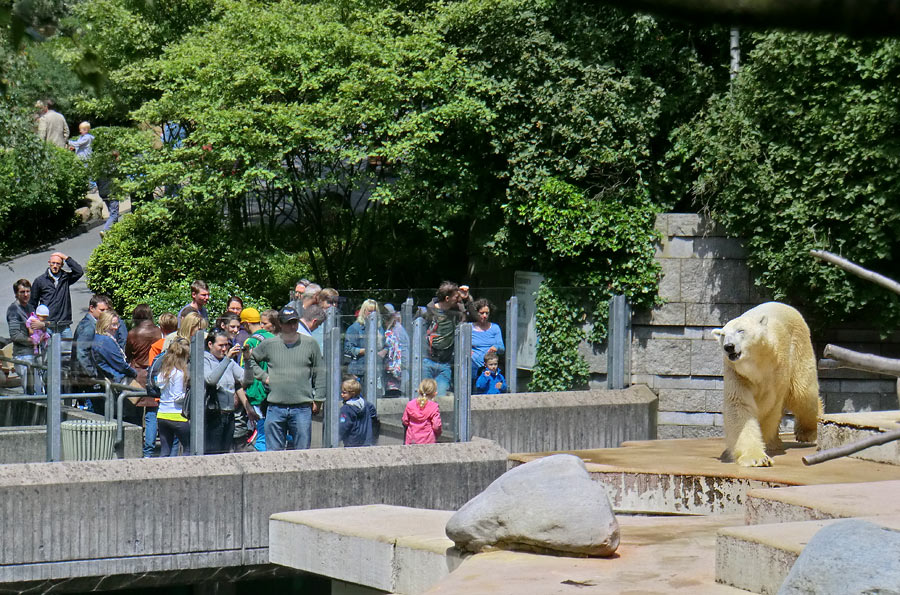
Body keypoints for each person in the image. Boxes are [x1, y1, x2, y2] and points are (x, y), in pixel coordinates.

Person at [249, 306, 323, 451]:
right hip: (275, 406)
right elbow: (251, 359)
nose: (292, 326)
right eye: (288, 322)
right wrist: (264, 377)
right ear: (280, 324)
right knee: (274, 455)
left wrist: (319, 399)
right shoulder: (270, 344)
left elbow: (319, 373)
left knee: (302, 453)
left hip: (302, 407)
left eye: (295, 322)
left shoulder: (310, 344)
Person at [204, 329, 256, 454]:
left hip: (229, 415)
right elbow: (211, 380)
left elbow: (247, 380)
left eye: (226, 345)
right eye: (220, 345)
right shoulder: (205, 360)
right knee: (214, 453)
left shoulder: (229, 362)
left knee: (225, 453)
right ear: (210, 345)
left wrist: (248, 360)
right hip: (213, 415)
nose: (224, 349)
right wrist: (227, 358)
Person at [126, 304, 163, 457]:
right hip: (154, 374)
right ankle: (149, 449)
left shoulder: (133, 333)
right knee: (151, 415)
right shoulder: (159, 332)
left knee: (135, 413)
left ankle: (135, 448)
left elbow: (128, 355)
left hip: (137, 374)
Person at [421, 282, 463, 396]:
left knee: (441, 397)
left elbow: (468, 317)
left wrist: (467, 298)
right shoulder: (428, 312)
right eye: (456, 296)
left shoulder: (455, 312)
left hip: (445, 362)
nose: (459, 298)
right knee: (424, 396)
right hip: (427, 360)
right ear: (447, 298)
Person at [239, 307, 273, 451]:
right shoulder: (273, 338)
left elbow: (245, 372)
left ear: (246, 324)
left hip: (256, 394)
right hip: (272, 391)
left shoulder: (250, 342)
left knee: (261, 436)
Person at [29, 251, 83, 337]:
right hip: (47, 326)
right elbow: (32, 303)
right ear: (49, 263)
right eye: (53, 263)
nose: (55, 266)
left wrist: (65, 257)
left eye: (58, 264)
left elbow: (79, 271)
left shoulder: (66, 278)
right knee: (48, 350)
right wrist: (34, 321)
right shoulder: (40, 281)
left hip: (64, 325)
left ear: (61, 265)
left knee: (67, 350)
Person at [156, 337, 191, 456]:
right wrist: (189, 397)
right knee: (188, 448)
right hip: (177, 415)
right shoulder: (179, 374)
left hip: (162, 414)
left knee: (165, 450)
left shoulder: (163, 372)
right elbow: (177, 397)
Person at [6, 279, 42, 393]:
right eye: (22, 292)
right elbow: (15, 335)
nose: (26, 294)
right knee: (29, 391)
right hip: (23, 355)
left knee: (39, 389)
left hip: (34, 354)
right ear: (16, 294)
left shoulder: (30, 307)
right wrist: (33, 341)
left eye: (28, 291)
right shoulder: (13, 310)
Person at [343, 299, 384, 394]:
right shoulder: (354, 328)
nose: (372, 314)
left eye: (375, 311)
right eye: (370, 311)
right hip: (358, 371)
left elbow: (385, 345)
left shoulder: (380, 329)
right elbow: (348, 349)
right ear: (363, 311)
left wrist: (383, 351)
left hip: (376, 369)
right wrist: (368, 351)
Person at [91, 310, 139, 386]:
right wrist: (134, 373)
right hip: (116, 381)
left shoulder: (96, 338)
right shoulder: (106, 341)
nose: (116, 328)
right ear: (105, 324)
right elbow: (119, 364)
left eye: (117, 324)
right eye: (113, 324)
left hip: (108, 379)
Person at [470, 298, 505, 378]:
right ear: (476, 313)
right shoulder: (469, 328)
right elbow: (461, 347)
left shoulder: (495, 328)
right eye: (481, 313)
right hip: (474, 367)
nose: (485, 316)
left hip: (490, 368)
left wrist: (496, 347)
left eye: (487, 313)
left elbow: (502, 348)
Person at [338, 378, 378, 447]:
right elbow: (373, 412)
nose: (342, 395)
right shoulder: (366, 404)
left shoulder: (346, 409)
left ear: (352, 393)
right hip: (366, 440)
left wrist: (338, 437)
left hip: (351, 441)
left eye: (344, 393)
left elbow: (343, 425)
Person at [402, 379, 442, 445]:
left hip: (412, 440)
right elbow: (436, 426)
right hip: (428, 441)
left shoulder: (410, 404)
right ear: (434, 394)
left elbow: (405, 421)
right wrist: (437, 434)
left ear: (419, 391)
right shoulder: (434, 407)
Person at [382, 303, 409, 397]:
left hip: (397, 371)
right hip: (390, 371)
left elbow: (403, 350)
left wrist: (404, 367)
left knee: (396, 395)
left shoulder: (398, 330)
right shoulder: (388, 328)